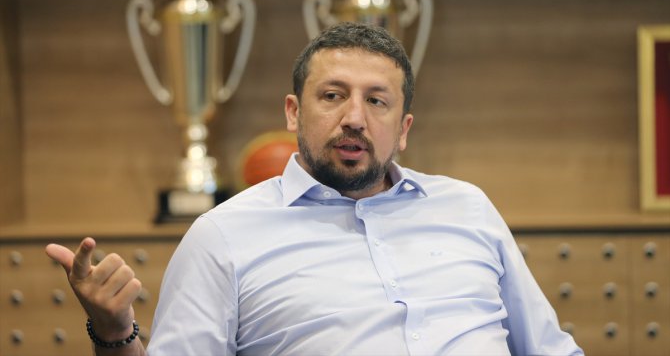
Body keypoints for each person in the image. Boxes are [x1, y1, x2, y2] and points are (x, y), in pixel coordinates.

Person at [46, 22, 583, 355]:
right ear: (293, 112)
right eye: (332, 95)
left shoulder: (467, 208)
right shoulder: (222, 238)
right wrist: (115, 335)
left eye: (376, 101)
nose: (354, 118)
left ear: (403, 129)